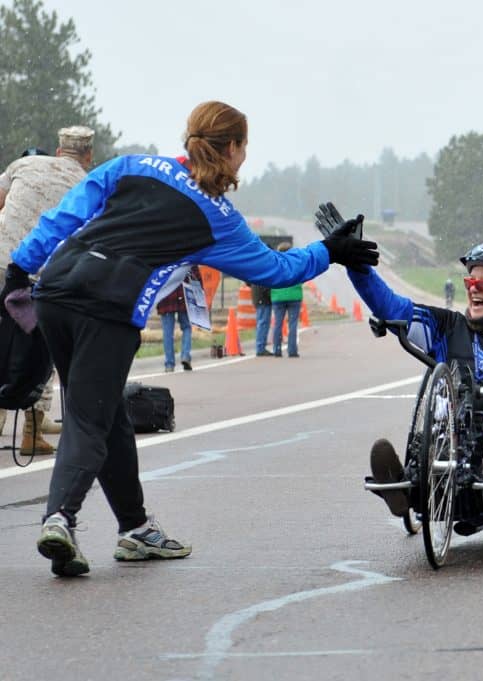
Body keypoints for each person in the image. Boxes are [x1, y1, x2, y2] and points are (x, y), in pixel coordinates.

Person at [0, 101, 378, 577]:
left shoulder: (134, 164)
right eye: (245, 146)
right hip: (108, 309)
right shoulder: (216, 215)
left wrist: (20, 266)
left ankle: (135, 528)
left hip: (54, 289)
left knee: (106, 409)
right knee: (87, 417)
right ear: (235, 148)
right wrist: (331, 250)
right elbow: (276, 268)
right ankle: (60, 519)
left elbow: (65, 214)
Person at [317, 203, 483, 529]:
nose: (473, 288)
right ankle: (407, 489)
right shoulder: (447, 327)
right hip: (451, 447)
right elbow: (391, 305)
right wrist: (356, 265)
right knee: (430, 461)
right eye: (469, 282)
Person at [0, 127, 96, 455]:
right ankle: (32, 431)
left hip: (2, 262)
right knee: (41, 348)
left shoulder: (24, 165)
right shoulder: (87, 182)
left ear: (58, 150)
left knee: (2, 340)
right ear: (88, 155)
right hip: (43, 275)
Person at [156, 265, 200, 372]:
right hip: (184, 294)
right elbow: (195, 274)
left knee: (167, 332)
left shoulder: (159, 253)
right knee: (186, 327)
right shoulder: (186, 251)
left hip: (165, 296)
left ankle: (169, 364)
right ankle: (185, 356)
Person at [270, 242, 303, 357]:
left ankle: (277, 350)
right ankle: (292, 350)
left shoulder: (274, 263)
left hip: (278, 296)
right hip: (294, 296)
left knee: (278, 324)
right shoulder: (296, 263)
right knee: (293, 325)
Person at [251, 281, 273, 356]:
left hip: (258, 296)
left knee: (261, 323)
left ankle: (260, 346)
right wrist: (271, 295)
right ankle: (260, 348)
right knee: (263, 323)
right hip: (263, 298)